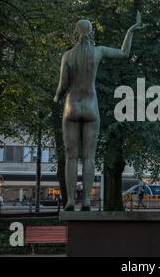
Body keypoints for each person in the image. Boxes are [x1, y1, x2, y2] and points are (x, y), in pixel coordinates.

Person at [54, 12, 146, 211]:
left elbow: (62, 86)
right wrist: (130, 31)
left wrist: (55, 99)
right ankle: (86, 200)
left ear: (75, 33)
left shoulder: (68, 55)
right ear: (91, 33)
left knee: (71, 156)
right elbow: (124, 53)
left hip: (71, 106)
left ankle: (70, 200)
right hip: (90, 106)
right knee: (89, 157)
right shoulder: (98, 52)